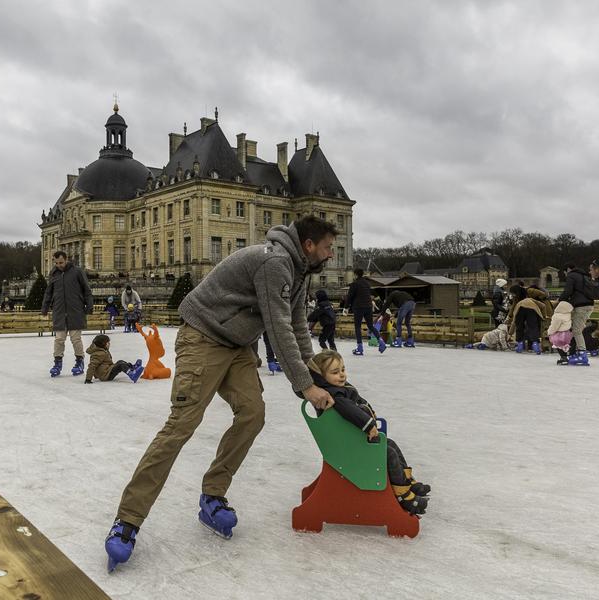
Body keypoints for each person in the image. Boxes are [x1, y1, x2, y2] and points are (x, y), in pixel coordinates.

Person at [105, 215, 337, 572]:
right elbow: (278, 329)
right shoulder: (275, 262)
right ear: (309, 245)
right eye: (327, 248)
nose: (331, 255)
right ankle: (128, 520)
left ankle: (213, 495)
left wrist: (314, 368)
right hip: (203, 336)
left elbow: (297, 325)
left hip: (238, 345)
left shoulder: (299, 269)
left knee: (252, 413)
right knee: (181, 424)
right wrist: (304, 385)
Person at [308, 350, 429, 515]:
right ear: (321, 377)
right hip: (351, 444)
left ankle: (407, 481)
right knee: (388, 452)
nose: (342, 375)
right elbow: (350, 411)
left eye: (343, 369)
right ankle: (403, 494)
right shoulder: (335, 395)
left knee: (390, 444)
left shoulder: (338, 389)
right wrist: (368, 424)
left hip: (354, 439)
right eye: (335, 372)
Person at [41, 250, 94, 377]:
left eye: (61, 262)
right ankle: (57, 363)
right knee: (59, 339)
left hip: (75, 310)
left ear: (66, 260)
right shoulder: (53, 273)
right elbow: (49, 292)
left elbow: (87, 290)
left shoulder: (77, 272)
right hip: (59, 311)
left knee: (76, 339)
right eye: (57, 263)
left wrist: (89, 305)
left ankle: (79, 361)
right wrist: (45, 307)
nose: (59, 265)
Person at [559, 262, 598, 366]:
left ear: (567, 270)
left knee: (576, 330)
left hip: (580, 305)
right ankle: (575, 352)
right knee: (578, 329)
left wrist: (560, 301)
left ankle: (582, 354)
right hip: (589, 305)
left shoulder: (571, 276)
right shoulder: (585, 275)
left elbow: (568, 291)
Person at [344, 268, 386, 355]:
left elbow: (350, 296)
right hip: (368, 306)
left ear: (355, 274)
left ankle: (360, 348)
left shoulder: (354, 284)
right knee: (370, 325)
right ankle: (381, 341)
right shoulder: (367, 283)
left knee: (357, 327)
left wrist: (346, 307)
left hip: (359, 307)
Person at [506, 284, 548, 354]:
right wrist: (544, 316)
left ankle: (520, 345)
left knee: (520, 327)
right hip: (532, 310)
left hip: (520, 310)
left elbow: (514, 321)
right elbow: (543, 305)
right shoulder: (530, 299)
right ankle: (535, 345)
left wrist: (510, 332)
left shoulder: (519, 301)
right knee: (533, 327)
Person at [547, 301, 574, 365]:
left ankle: (563, 357)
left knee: (558, 344)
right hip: (568, 333)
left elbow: (554, 326)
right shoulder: (568, 314)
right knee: (568, 345)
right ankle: (572, 356)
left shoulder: (557, 316)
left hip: (560, 334)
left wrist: (549, 332)